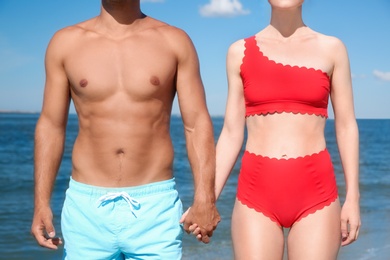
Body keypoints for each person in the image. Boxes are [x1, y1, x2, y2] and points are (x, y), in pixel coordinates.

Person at [30, 0, 220, 259]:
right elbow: (51, 126)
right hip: (86, 209)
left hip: (155, 206)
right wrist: (41, 203)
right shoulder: (65, 43)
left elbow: (196, 123)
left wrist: (205, 199)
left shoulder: (174, 41)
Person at [189, 0, 361, 259]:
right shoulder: (239, 52)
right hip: (255, 194)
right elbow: (232, 133)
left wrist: (353, 199)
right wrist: (206, 200)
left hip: (317, 193)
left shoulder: (332, 49)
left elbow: (346, 126)